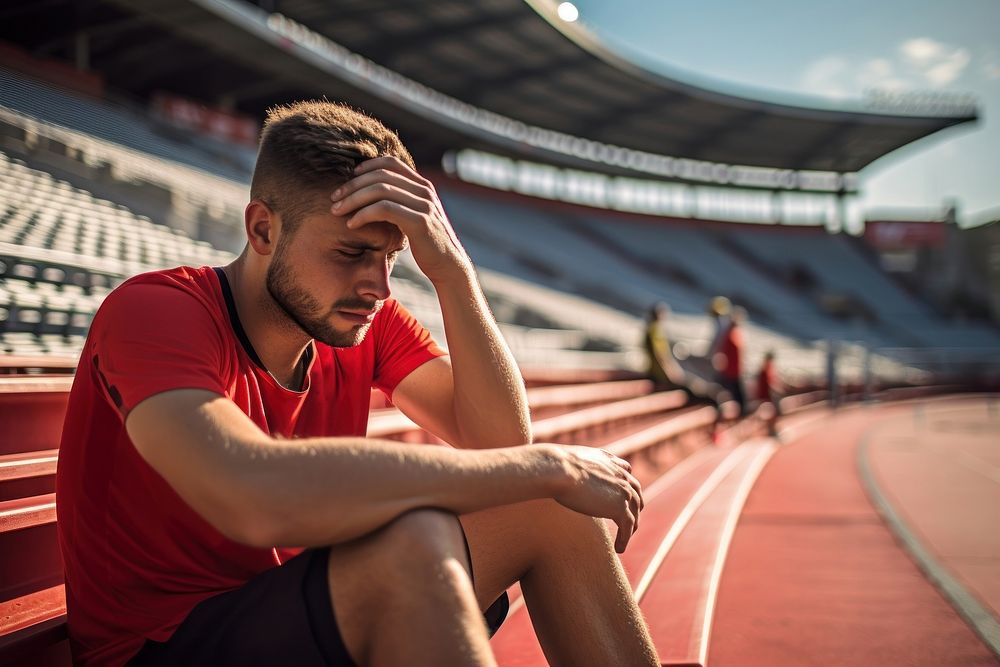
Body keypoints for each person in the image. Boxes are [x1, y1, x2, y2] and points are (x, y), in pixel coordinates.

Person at [55, 101, 658, 667]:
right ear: (263, 231)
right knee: (421, 543)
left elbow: (497, 439)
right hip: (160, 647)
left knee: (546, 505)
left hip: (301, 610)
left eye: (391, 258)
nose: (379, 286)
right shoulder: (157, 310)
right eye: (351, 252)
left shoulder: (361, 320)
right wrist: (547, 466)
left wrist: (453, 272)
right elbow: (250, 496)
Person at [713, 306, 746, 415]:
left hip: (735, 371)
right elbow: (722, 351)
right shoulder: (730, 334)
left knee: (739, 399)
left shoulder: (735, 333)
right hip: (730, 373)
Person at [756, 350, 783, 435]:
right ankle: (771, 430)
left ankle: (772, 430)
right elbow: (768, 385)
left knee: (777, 408)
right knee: (775, 409)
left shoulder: (769, 368)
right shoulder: (765, 370)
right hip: (765, 398)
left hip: (768, 397)